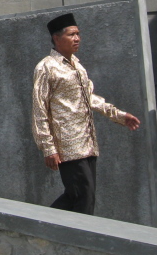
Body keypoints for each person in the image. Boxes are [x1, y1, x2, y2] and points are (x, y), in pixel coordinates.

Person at [31, 13, 141, 215]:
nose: (77, 39)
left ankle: (41, 224)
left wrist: (118, 115)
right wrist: (48, 147)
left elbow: (89, 98)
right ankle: (72, 230)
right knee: (84, 195)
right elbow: (39, 109)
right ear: (56, 38)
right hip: (67, 144)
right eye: (71, 34)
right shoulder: (46, 67)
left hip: (88, 142)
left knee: (78, 195)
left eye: (78, 34)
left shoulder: (78, 66)